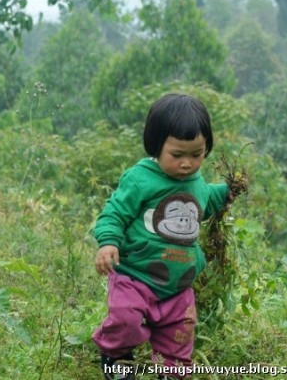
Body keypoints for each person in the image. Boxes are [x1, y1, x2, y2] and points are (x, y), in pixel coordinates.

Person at [92, 94, 232, 380]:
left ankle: (171, 372)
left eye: (196, 154)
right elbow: (114, 213)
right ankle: (117, 356)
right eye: (177, 155)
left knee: (179, 336)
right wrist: (108, 241)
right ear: (156, 146)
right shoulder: (141, 178)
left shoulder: (197, 183)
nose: (187, 164)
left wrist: (230, 190)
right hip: (135, 275)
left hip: (178, 285)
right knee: (125, 320)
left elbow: (205, 204)